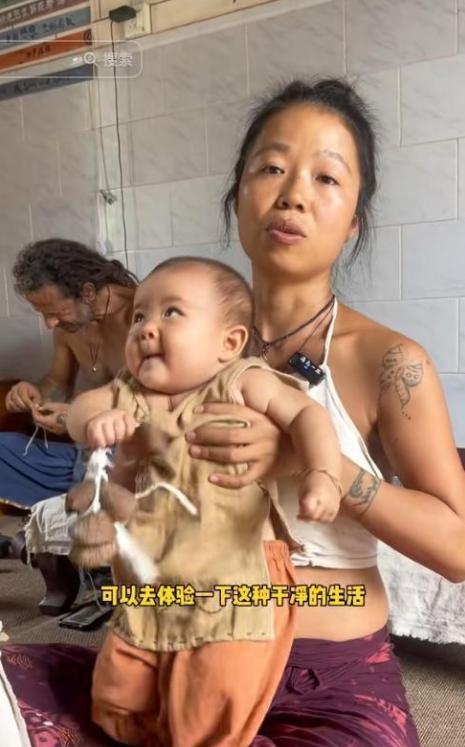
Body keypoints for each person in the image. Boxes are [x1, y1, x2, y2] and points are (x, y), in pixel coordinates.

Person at [172, 78, 465, 746]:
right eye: (271, 168)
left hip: (328, 676)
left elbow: (456, 548)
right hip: (193, 654)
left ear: (354, 219)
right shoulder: (183, 341)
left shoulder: (388, 362)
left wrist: (314, 459)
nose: (294, 194)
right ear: (237, 195)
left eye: (326, 178)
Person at [65, 256, 343, 747]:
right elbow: (81, 409)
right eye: (138, 316)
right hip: (151, 582)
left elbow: (306, 416)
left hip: (234, 578)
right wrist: (94, 422)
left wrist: (324, 474)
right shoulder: (130, 391)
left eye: (171, 313)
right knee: (117, 697)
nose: (147, 328)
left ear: (228, 343)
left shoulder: (241, 380)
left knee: (210, 702)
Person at [1, 238, 137, 511]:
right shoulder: (68, 327)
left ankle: (85, 501)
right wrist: (35, 394)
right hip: (80, 457)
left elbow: (160, 404)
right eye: (43, 313)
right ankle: (78, 498)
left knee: (115, 467)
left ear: (87, 291)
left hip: (130, 459)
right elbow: (57, 382)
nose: (50, 323)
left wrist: (77, 418)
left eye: (56, 312)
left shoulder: (140, 316)